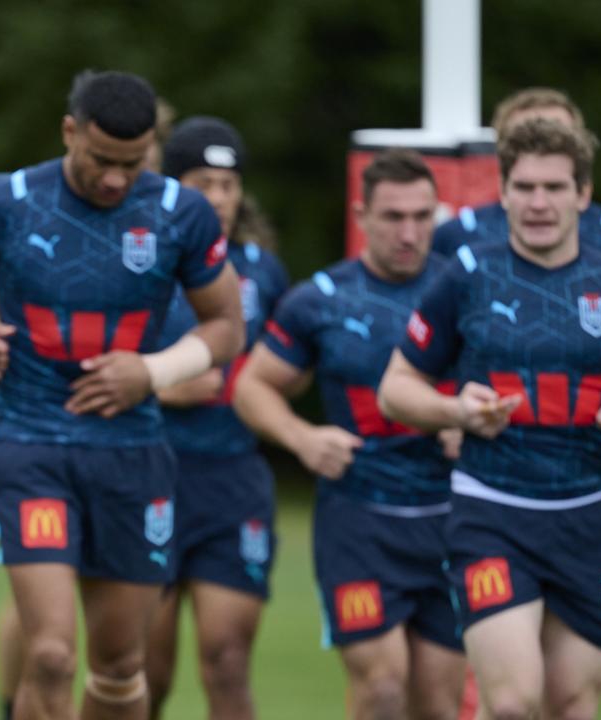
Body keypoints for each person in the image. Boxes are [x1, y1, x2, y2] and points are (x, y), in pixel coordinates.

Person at [0, 70, 245, 720]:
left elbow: (226, 327)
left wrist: (152, 373)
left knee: (121, 667)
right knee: (49, 656)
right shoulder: (3, 200)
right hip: (31, 444)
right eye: (101, 160)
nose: (114, 180)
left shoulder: (182, 213)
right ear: (70, 132)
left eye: (132, 164)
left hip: (132, 453)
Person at [378, 118, 601, 719]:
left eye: (554, 187)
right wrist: (455, 411)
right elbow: (396, 388)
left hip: (590, 516)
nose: (538, 202)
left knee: (573, 704)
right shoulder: (466, 277)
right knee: (512, 704)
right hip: (492, 514)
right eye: (524, 187)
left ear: (583, 194)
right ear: (502, 192)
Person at [233, 149, 465, 720]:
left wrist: (471, 424)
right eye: (393, 217)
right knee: (382, 689)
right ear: (361, 216)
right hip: (358, 523)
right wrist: (302, 437)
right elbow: (250, 386)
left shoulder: (468, 290)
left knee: (437, 703)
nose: (409, 232)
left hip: (455, 520)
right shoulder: (321, 300)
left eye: (422, 216)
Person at [145, 116, 288, 720]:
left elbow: (292, 366)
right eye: (206, 182)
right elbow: (85, 359)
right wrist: (159, 385)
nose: (222, 198)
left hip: (233, 481)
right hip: (149, 474)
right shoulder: (140, 262)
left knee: (227, 661)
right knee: (142, 675)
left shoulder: (264, 272)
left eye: (230, 184)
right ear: (174, 187)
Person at [431, 87, 601, 273]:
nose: (541, 149)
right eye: (523, 139)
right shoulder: (455, 235)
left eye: (560, 137)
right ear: (499, 150)